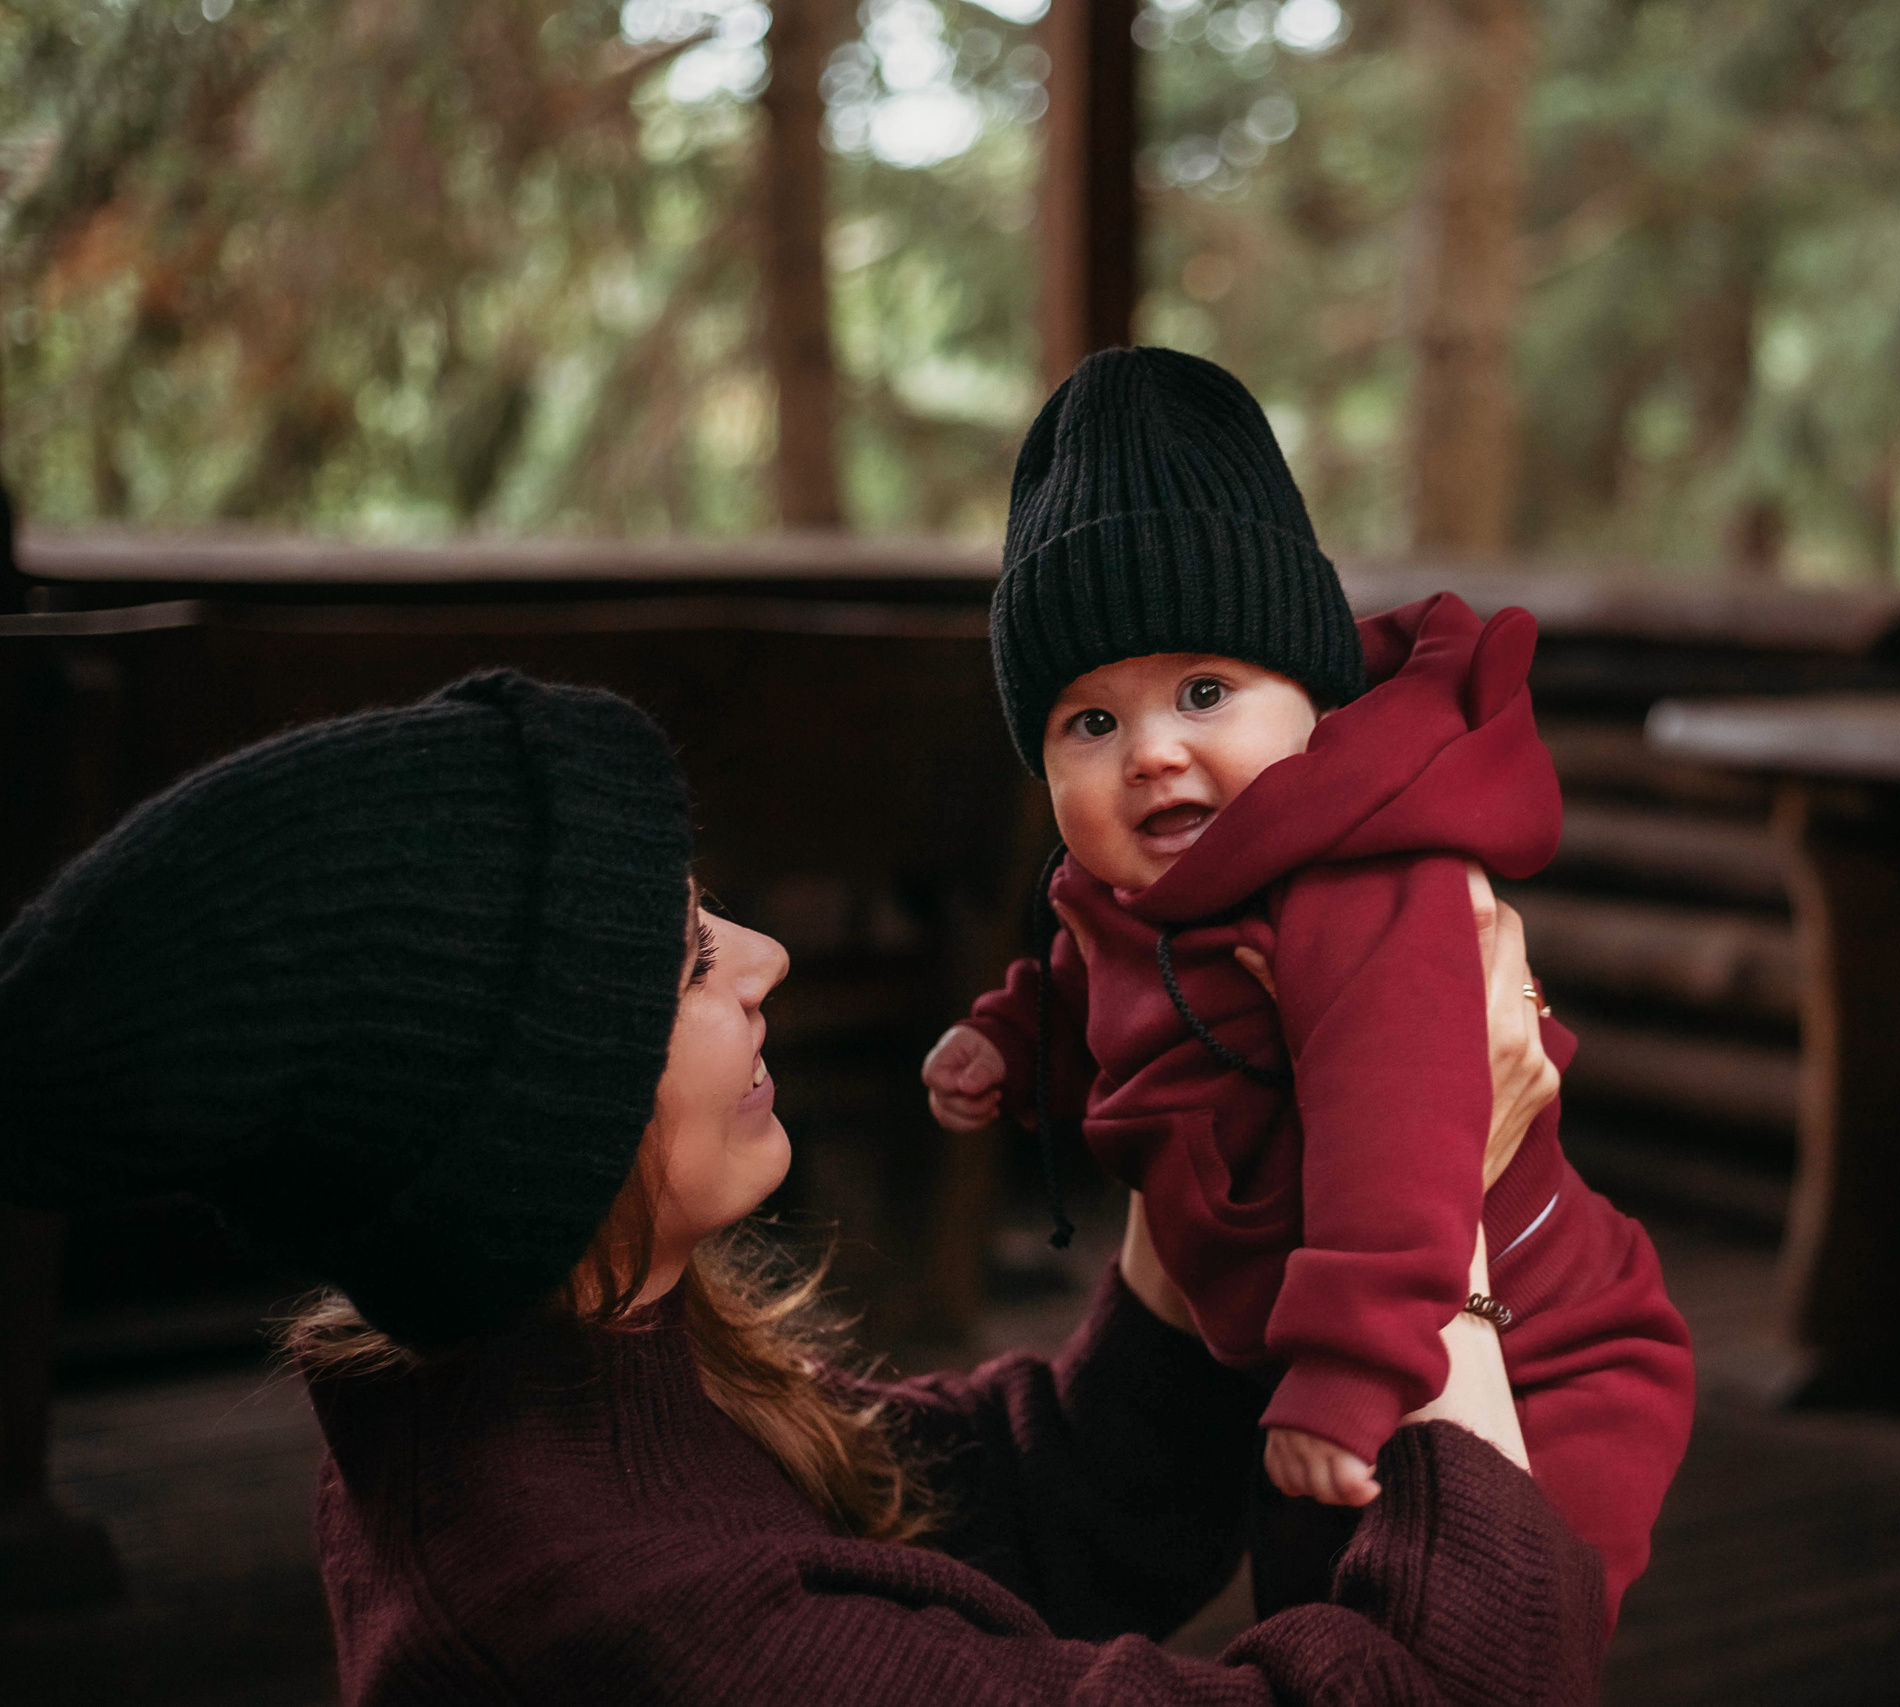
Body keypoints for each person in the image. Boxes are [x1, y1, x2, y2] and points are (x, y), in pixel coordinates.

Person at [0, 669, 1610, 1704]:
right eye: (687, 958)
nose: (764, 957)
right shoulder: (643, 1617)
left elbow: (1009, 1507)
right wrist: (1434, 1211)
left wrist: (1210, 1151)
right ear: (525, 1115)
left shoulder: (525, 1374)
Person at [919, 347, 1694, 1619]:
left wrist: (1347, 1367)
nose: (1151, 753)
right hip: (1310, 1346)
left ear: (1315, 704)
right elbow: (1097, 985)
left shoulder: (1359, 882)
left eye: (1204, 693)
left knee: (1482, 1626)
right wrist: (1016, 1045)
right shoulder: (1134, 892)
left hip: (1538, 1349)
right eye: (1090, 723)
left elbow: (1399, 1129)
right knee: (1316, 1615)